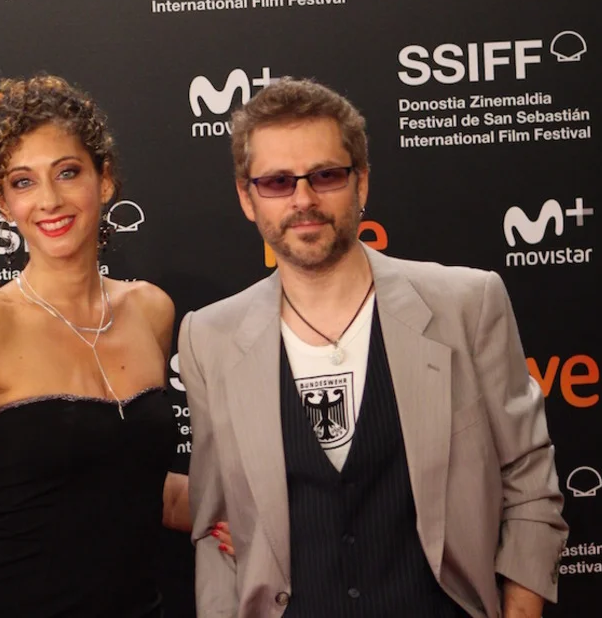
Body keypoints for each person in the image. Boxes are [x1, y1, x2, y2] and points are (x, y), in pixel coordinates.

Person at [179, 77, 568, 618]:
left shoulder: (467, 304)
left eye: (326, 175)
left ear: (361, 182)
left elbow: (528, 478)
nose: (303, 200)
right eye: (277, 182)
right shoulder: (209, 338)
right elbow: (214, 525)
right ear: (248, 198)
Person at [0, 75, 200, 617]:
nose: (49, 200)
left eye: (67, 172)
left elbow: (135, 487)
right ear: (4, 203)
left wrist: (256, 509)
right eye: (24, 182)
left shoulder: (151, 311)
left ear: (104, 180)